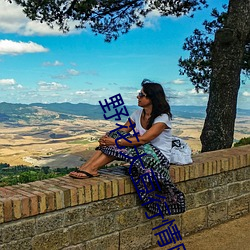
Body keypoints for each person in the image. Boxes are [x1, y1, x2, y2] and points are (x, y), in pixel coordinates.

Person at [69, 79, 185, 215]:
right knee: (115, 135)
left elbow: (144, 139)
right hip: (143, 150)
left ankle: (92, 168)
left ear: (152, 98)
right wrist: (107, 137)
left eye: (142, 95)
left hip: (158, 157)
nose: (138, 97)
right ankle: (87, 167)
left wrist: (115, 142)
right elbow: (124, 129)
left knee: (117, 143)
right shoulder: (137, 114)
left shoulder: (162, 117)